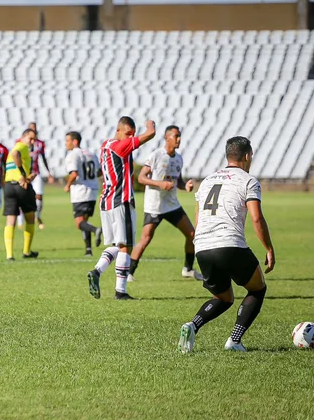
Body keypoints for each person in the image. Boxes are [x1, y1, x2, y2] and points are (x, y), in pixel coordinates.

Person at [178, 136, 274, 353]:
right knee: (257, 289)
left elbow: (198, 219)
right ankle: (234, 340)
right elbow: (257, 218)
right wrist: (269, 248)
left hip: (202, 247)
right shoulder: (249, 180)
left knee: (224, 297)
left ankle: (192, 325)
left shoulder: (207, 181)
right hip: (229, 244)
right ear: (247, 156)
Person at [87, 117, 156, 300]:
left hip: (106, 201)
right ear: (118, 131)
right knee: (126, 246)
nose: (130, 138)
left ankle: (97, 272)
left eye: (132, 135)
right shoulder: (120, 146)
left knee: (118, 244)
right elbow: (150, 134)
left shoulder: (105, 145)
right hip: (121, 200)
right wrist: (150, 124)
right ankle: (120, 290)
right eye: (128, 134)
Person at [128, 125, 203, 282]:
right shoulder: (156, 155)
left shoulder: (178, 158)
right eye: (175, 136)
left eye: (179, 136)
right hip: (154, 205)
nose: (179, 139)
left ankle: (188, 269)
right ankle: (129, 273)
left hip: (172, 204)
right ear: (167, 137)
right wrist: (159, 184)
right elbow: (141, 178)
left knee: (192, 235)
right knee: (145, 239)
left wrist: (185, 186)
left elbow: (178, 181)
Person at [63, 131, 103, 256]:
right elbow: (99, 171)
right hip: (92, 191)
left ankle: (96, 229)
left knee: (79, 223)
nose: (66, 144)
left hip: (80, 192)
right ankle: (88, 250)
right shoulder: (91, 154)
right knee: (85, 221)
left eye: (67, 141)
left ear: (75, 141)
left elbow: (74, 174)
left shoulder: (73, 155)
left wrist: (68, 185)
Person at [3, 128, 39, 261]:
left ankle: (9, 255)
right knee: (30, 218)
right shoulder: (22, 146)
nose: (32, 141)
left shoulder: (15, 147)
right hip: (20, 187)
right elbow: (16, 154)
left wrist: (28, 176)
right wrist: (24, 175)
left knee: (10, 220)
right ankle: (26, 251)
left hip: (9, 186)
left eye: (34, 139)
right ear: (23, 137)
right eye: (30, 138)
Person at [17, 122, 54, 230]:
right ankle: (20, 220)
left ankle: (37, 216)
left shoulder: (40, 144)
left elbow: (43, 158)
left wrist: (49, 172)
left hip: (35, 173)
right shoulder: (21, 143)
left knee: (39, 196)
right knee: (22, 197)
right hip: (24, 174)